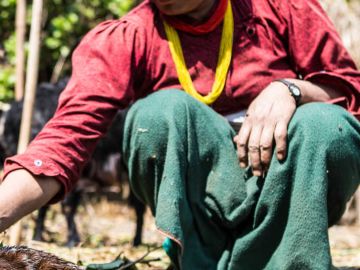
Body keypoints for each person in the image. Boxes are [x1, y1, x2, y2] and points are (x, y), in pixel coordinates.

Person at [1, 0, 359, 268]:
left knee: (325, 124)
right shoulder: (129, 36)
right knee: (159, 113)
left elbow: (349, 94)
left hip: (285, 188)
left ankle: (293, 260)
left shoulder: (282, 9)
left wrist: (292, 90)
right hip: (201, 205)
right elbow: (62, 144)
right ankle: (198, 260)